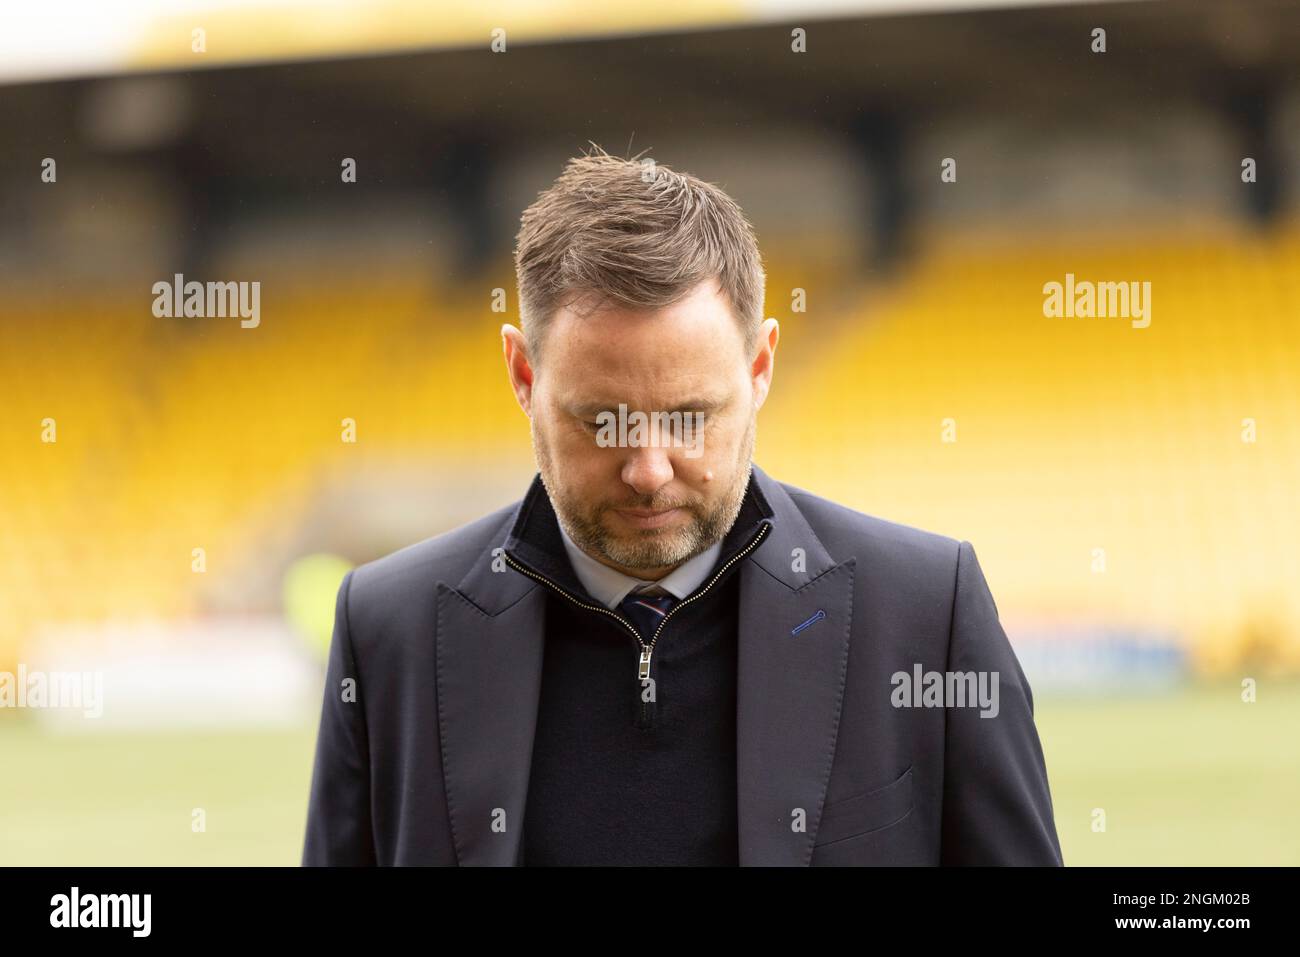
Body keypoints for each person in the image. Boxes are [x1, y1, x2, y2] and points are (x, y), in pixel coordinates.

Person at [302, 147, 1063, 866]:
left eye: (689, 416)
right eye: (602, 420)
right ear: (523, 373)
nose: (647, 469)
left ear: (760, 365)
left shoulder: (928, 610)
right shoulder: (389, 629)